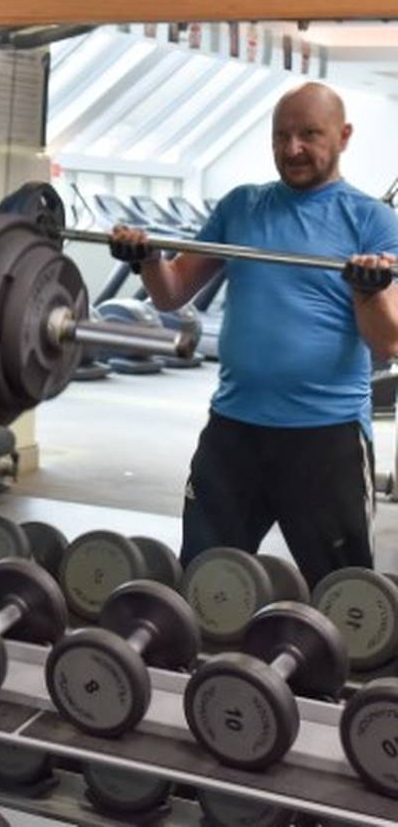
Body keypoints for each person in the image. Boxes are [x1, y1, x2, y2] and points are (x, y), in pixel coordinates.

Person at [110, 81, 398, 587]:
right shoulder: (241, 207)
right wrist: (147, 258)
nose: (293, 149)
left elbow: (388, 341)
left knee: (343, 592)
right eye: (281, 135)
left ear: (344, 136)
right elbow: (171, 293)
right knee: (203, 578)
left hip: (325, 436)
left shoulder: (371, 221)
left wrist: (366, 291)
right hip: (233, 430)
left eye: (310, 134)